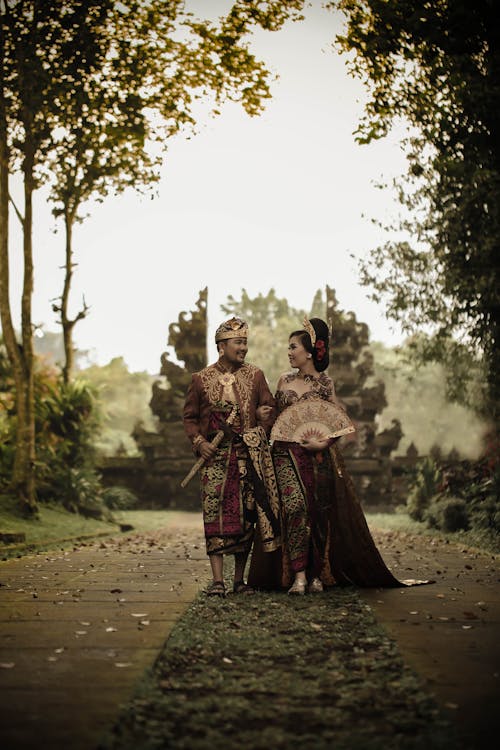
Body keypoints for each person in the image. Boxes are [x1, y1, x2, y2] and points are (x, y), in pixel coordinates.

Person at [248, 316, 406, 595]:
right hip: (284, 453)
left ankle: (317, 573)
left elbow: (339, 424)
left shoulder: (325, 385)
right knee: (294, 507)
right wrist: (263, 416)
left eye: (293, 346)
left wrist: (324, 443)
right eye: (288, 347)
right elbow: (275, 420)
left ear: (309, 351)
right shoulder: (284, 381)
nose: (289, 352)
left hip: (317, 457)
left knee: (317, 512)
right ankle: (297, 575)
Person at [183, 316, 281, 597]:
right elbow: (189, 417)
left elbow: (269, 408)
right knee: (214, 515)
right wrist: (199, 442)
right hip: (214, 461)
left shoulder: (256, 375)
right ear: (221, 345)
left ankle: (239, 581)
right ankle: (217, 582)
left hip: (246, 457)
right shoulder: (200, 379)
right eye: (238, 343)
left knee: (246, 517)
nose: (244, 348)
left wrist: (262, 422)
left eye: (245, 343)